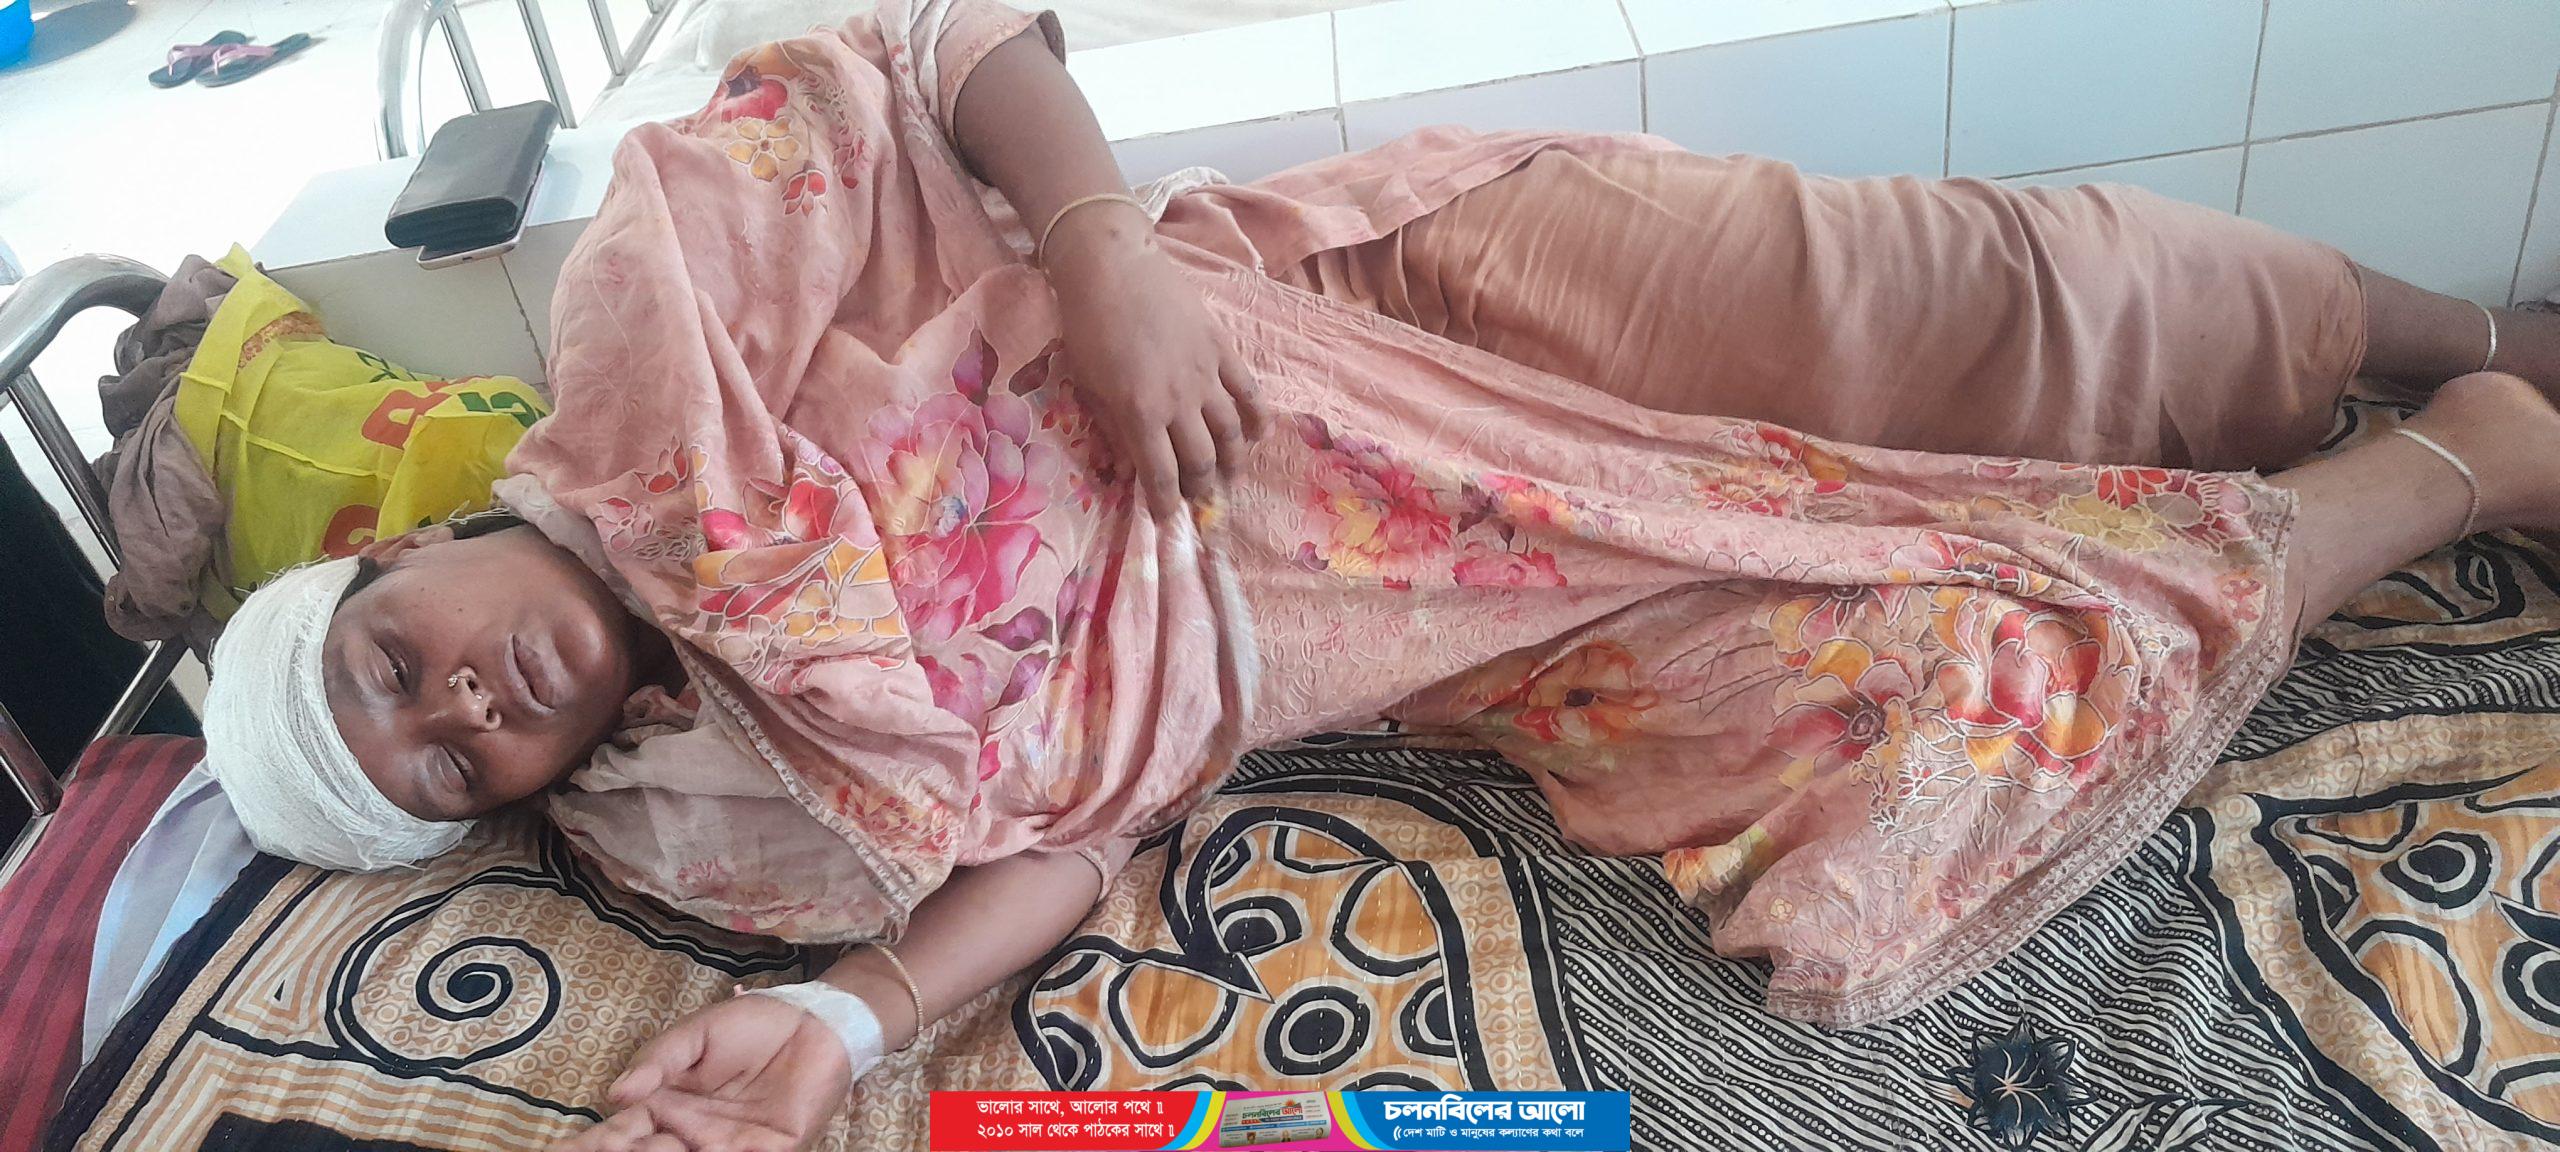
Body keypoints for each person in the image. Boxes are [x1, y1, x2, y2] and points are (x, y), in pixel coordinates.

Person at [185, 2, 2560, 1148]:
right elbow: (1076, 836)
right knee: (1918, 754)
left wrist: (1104, 256)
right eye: (444, 770)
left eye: (392, 666)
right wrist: (835, 1029)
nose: (461, 710)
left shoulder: (652, 334)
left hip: (1382, 308)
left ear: (406, 553)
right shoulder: (708, 822)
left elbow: (911, 29)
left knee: (1985, 306)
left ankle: (2471, 343)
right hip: (1421, 614)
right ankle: (2465, 468)